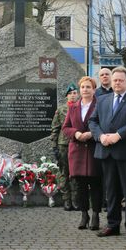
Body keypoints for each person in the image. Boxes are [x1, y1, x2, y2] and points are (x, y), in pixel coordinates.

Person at [89, 66, 126, 241]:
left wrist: (118, 135)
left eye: (121, 80)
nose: (117, 83)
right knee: (111, 192)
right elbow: (93, 120)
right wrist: (100, 136)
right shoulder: (102, 99)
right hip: (106, 152)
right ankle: (113, 225)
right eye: (115, 80)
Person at [62, 76, 103, 230]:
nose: (85, 90)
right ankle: (84, 214)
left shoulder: (100, 105)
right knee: (80, 186)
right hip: (77, 151)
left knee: (96, 185)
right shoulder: (73, 107)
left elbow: (105, 124)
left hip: (94, 150)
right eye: (83, 87)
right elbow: (65, 127)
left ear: (94, 89)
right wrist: (76, 134)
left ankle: (96, 215)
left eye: (88, 87)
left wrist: (92, 134)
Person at [51, 83, 79, 211]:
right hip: (64, 144)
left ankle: (75, 200)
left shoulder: (81, 107)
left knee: (76, 173)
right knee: (64, 172)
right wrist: (54, 146)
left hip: (78, 143)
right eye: (71, 94)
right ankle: (66, 200)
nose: (73, 95)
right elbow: (55, 129)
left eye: (75, 93)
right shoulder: (61, 110)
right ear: (67, 96)